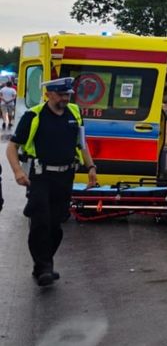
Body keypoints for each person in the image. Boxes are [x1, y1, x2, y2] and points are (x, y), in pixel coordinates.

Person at [5, 77, 99, 286]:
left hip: (65, 177)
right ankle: (43, 267)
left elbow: (82, 144)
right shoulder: (34, 116)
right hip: (40, 177)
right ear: (49, 95)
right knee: (41, 222)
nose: (65, 98)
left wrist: (91, 167)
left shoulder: (74, 113)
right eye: (61, 95)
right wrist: (18, 172)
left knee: (56, 225)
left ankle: (44, 262)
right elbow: (12, 147)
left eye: (68, 95)